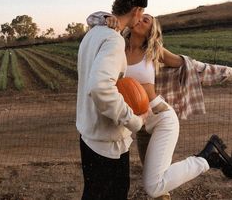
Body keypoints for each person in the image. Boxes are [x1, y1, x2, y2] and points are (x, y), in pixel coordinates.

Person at [87, 12, 232, 199]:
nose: (140, 19)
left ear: (151, 31)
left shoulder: (154, 52)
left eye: (146, 20)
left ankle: (206, 157)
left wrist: (228, 72)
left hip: (162, 119)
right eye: (139, 16)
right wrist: (106, 18)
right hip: (140, 127)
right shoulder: (115, 46)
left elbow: (192, 66)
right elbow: (91, 19)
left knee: (154, 185)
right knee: (159, 186)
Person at [76, 0, 151, 200]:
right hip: (107, 144)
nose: (141, 19)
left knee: (92, 194)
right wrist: (135, 121)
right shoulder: (113, 40)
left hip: (89, 136)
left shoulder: (93, 34)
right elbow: (100, 87)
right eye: (142, 14)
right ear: (137, 10)